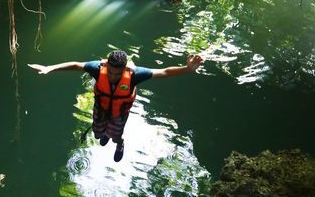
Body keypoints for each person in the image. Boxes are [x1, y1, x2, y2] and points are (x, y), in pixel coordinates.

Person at [28, 50, 204, 162]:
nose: (112, 76)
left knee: (115, 136)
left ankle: (120, 144)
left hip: (119, 113)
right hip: (101, 108)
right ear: (106, 66)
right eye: (110, 72)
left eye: (117, 73)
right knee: (99, 133)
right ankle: (104, 133)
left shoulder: (135, 75)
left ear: (125, 69)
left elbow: (164, 72)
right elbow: (76, 65)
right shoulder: (98, 69)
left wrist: (187, 69)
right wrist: (50, 67)